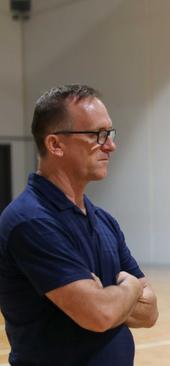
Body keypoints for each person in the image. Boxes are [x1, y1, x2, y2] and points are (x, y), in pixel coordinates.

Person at [0, 85, 158, 365]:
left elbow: (150, 313)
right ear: (55, 144)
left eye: (109, 133)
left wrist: (109, 295)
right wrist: (130, 288)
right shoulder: (31, 221)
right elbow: (99, 315)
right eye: (97, 135)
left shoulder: (104, 221)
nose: (110, 145)